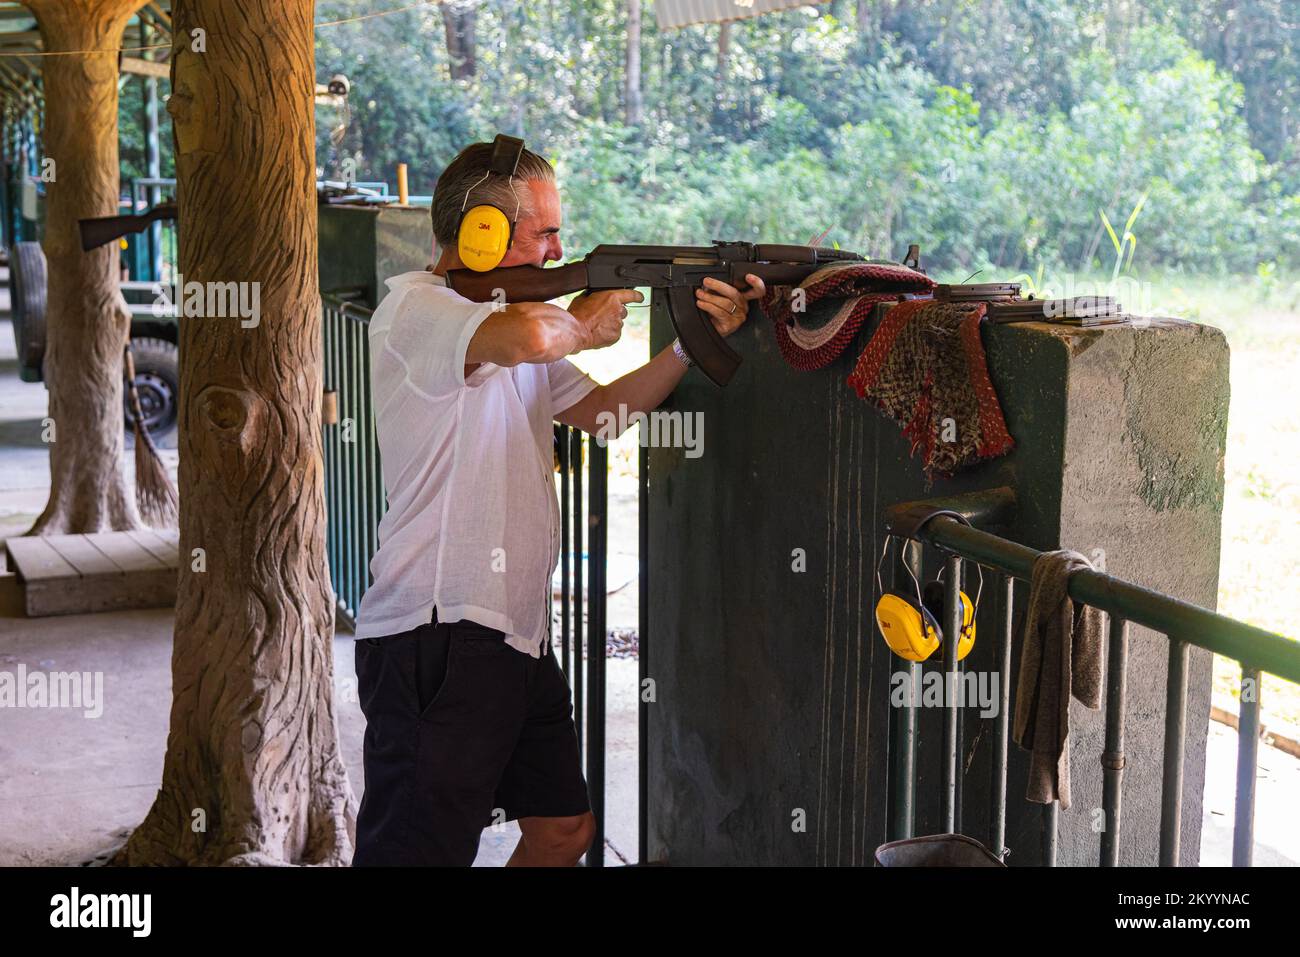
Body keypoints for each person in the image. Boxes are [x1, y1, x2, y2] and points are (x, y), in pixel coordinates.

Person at [350, 138, 766, 866]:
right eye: (544, 233)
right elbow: (537, 334)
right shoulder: (417, 311)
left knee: (564, 830)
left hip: (512, 634)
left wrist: (688, 347)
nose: (558, 248)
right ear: (482, 232)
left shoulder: (510, 330)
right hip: (436, 632)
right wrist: (587, 321)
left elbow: (603, 412)